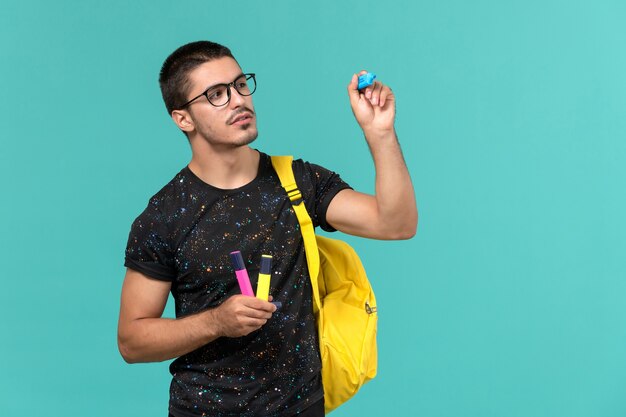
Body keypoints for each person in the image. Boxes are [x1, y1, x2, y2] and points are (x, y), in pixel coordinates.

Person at [117, 40, 417, 417]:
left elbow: (396, 224)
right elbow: (132, 341)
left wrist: (380, 133)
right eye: (216, 94)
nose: (239, 100)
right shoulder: (164, 216)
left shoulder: (297, 181)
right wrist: (216, 321)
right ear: (183, 119)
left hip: (302, 407)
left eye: (241, 85)